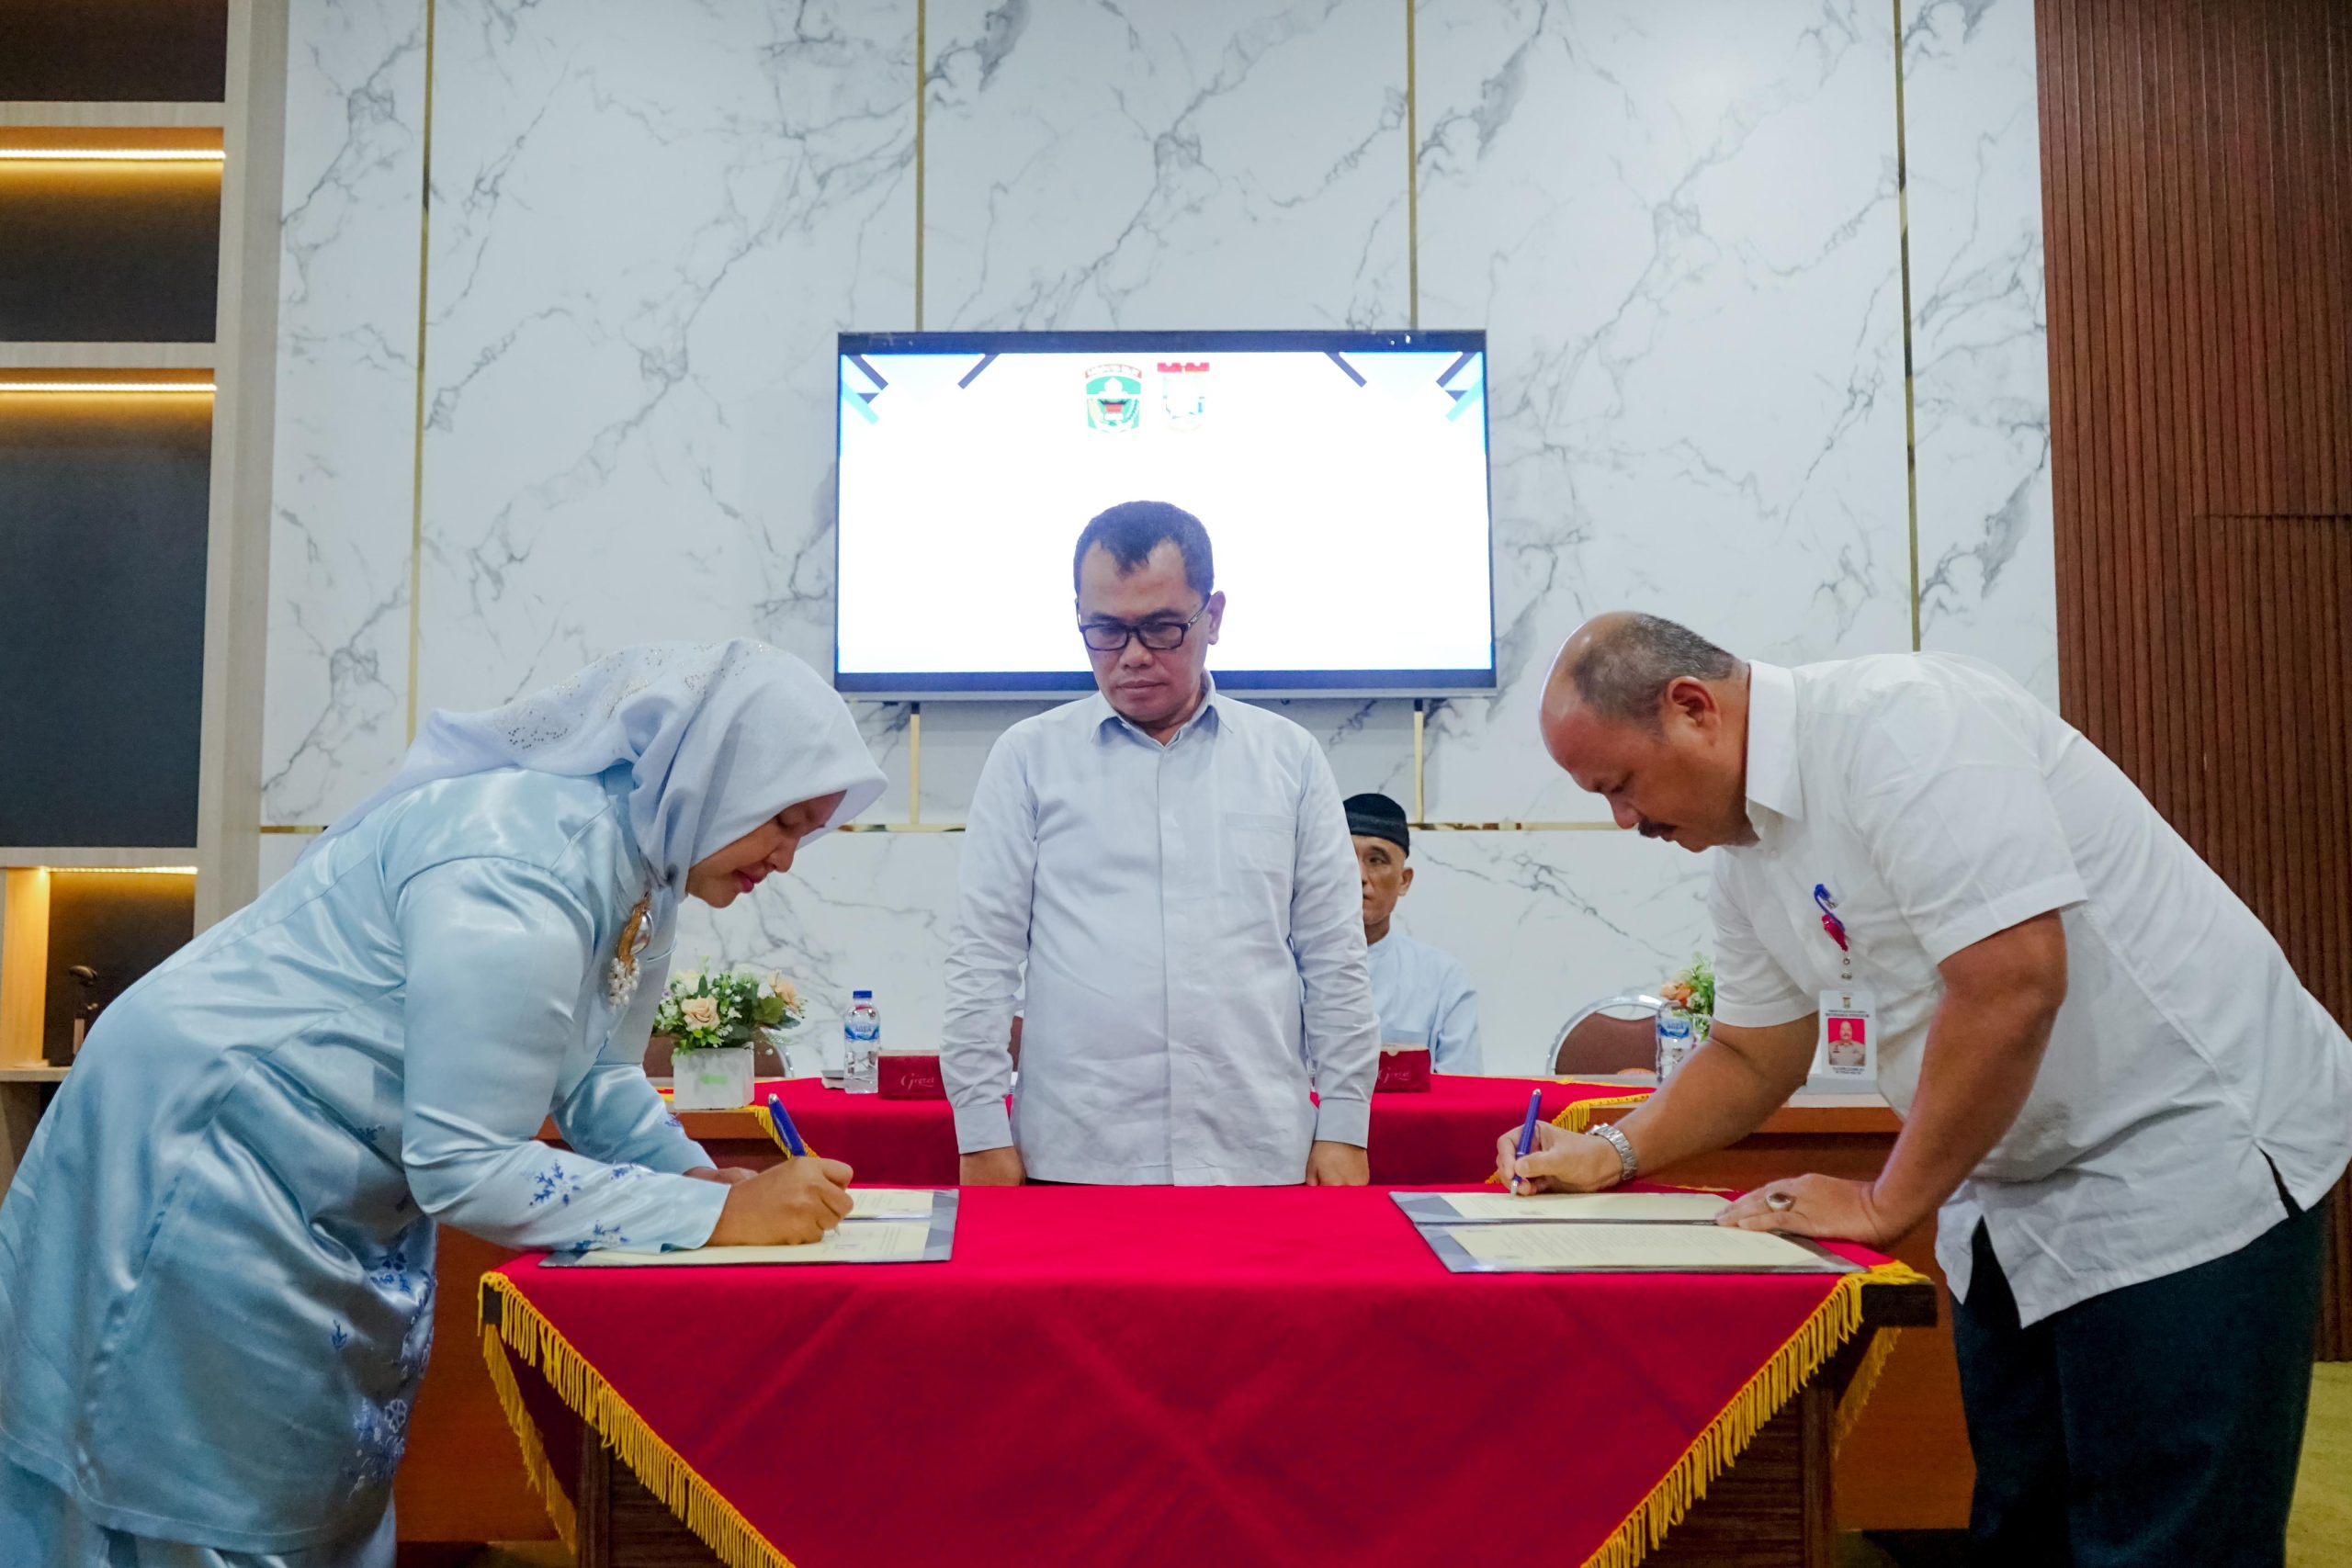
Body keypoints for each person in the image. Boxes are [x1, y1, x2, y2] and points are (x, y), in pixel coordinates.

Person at [0, 641, 883, 1566]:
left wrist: (704, 1189)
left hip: (320, 1166)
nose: (786, 859)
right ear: (720, 780)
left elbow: (595, 1075)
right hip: (209, 1146)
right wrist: (715, 1214)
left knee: (310, 1485)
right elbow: (468, 1169)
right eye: (783, 822)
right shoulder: (520, 863)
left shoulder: (640, 863)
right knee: (198, 1490)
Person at [1496, 612, 2350, 1565]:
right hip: (2015, 1194)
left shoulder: (1904, 725)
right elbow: (1749, 1054)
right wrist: (1612, 1151)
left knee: (2164, 1538)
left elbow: (2014, 979)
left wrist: (1879, 1200)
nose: (1627, 823)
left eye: (1619, 787)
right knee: (2020, 1528)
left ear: (1691, 708)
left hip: (2182, 1157)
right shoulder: (1746, 859)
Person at [942, 500, 1379, 1186]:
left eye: (1162, 627)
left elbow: (1334, 958)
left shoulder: (1288, 759)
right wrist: (979, 1130)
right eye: (1105, 630)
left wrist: (1347, 1124)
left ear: (1215, 616)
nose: (1133, 656)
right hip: (1077, 1155)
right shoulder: (1027, 759)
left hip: (1258, 1154)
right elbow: (982, 958)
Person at [1344, 791, 1483, 1074]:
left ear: (1404, 881)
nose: (1358, 876)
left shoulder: (1442, 980)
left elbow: (1462, 1096)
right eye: (1344, 858)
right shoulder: (1287, 970)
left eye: (1376, 860)